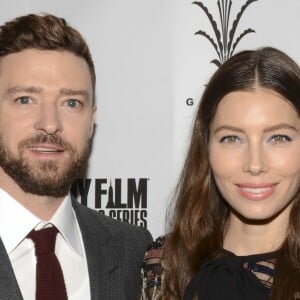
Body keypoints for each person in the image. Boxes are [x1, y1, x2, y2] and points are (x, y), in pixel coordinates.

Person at [0, 13, 152, 300]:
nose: (50, 123)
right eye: (25, 100)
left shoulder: (134, 249)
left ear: (91, 120)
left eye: (71, 102)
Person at [141, 46, 300, 299]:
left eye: (278, 137)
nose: (255, 164)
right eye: (232, 138)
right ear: (206, 147)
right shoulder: (164, 265)